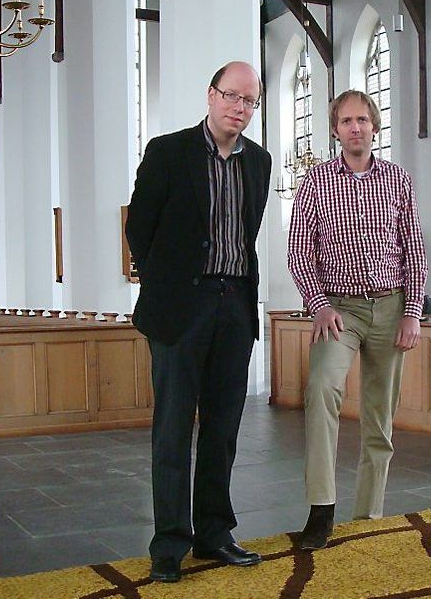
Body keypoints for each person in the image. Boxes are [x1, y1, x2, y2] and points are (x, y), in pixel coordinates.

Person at [125, 61, 271, 583]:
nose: (240, 108)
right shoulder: (168, 152)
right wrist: (171, 282)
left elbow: (247, 234)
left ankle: (214, 533)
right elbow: (140, 228)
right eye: (232, 96)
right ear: (210, 95)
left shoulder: (260, 161)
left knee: (223, 428)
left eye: (249, 101)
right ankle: (169, 544)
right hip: (182, 307)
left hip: (235, 305)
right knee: (172, 430)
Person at [287, 90, 428, 550]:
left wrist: (412, 312)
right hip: (339, 310)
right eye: (346, 121)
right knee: (322, 387)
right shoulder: (314, 182)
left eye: (363, 120)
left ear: (375, 126)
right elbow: (298, 251)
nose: (355, 128)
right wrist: (319, 304)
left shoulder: (397, 179)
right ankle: (321, 509)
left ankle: (368, 513)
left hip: (390, 306)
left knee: (379, 415)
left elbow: (415, 251)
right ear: (335, 129)